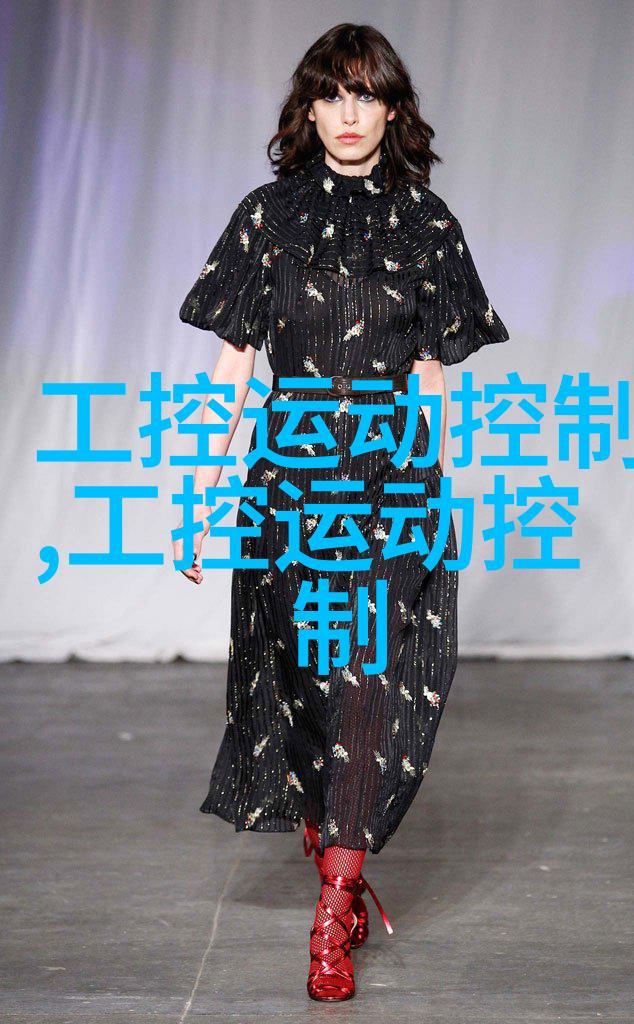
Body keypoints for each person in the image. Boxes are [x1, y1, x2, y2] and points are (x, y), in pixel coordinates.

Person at [174, 22, 509, 1002]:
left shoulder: (426, 223)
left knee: (367, 678)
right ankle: (334, 842)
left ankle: (333, 908)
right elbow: (233, 369)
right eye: (332, 93)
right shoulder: (266, 217)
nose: (350, 112)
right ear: (308, 109)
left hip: (388, 483)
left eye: (367, 94)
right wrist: (196, 496)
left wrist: (432, 488)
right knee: (306, 680)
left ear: (392, 110)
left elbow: (432, 372)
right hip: (288, 483)